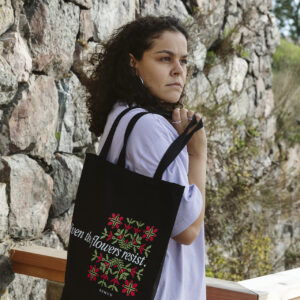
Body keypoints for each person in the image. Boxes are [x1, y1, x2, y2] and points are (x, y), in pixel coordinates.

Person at [81, 15, 207, 300]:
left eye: (184, 61)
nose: (178, 71)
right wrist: (197, 152)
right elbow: (187, 230)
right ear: (133, 62)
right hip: (160, 288)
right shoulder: (149, 127)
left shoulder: (122, 113)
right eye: (165, 59)